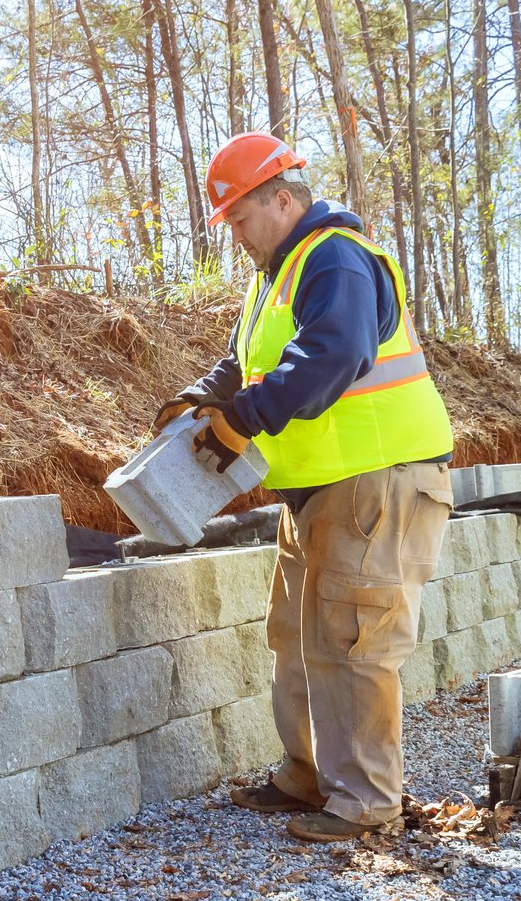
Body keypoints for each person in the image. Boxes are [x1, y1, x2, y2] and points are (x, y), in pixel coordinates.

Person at [154, 131, 455, 842]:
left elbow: (336, 352)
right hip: (319, 490)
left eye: (239, 217)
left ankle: (366, 801)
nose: (233, 234)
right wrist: (200, 399)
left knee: (355, 642)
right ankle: (309, 774)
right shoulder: (276, 274)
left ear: (283, 200)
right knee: (296, 637)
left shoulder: (336, 260)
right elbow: (244, 365)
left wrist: (246, 423)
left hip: (377, 481)